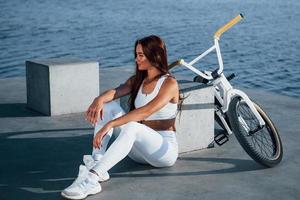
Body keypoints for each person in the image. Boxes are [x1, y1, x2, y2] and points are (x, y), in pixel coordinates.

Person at [61, 35, 180, 199]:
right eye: (136, 54)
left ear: (154, 55)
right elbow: (116, 92)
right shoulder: (138, 80)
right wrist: (99, 99)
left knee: (133, 126)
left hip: (163, 152)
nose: (136, 59)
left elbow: (146, 111)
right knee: (108, 106)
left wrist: (110, 125)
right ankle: (97, 160)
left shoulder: (169, 84)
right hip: (137, 152)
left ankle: (92, 179)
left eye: (140, 55)